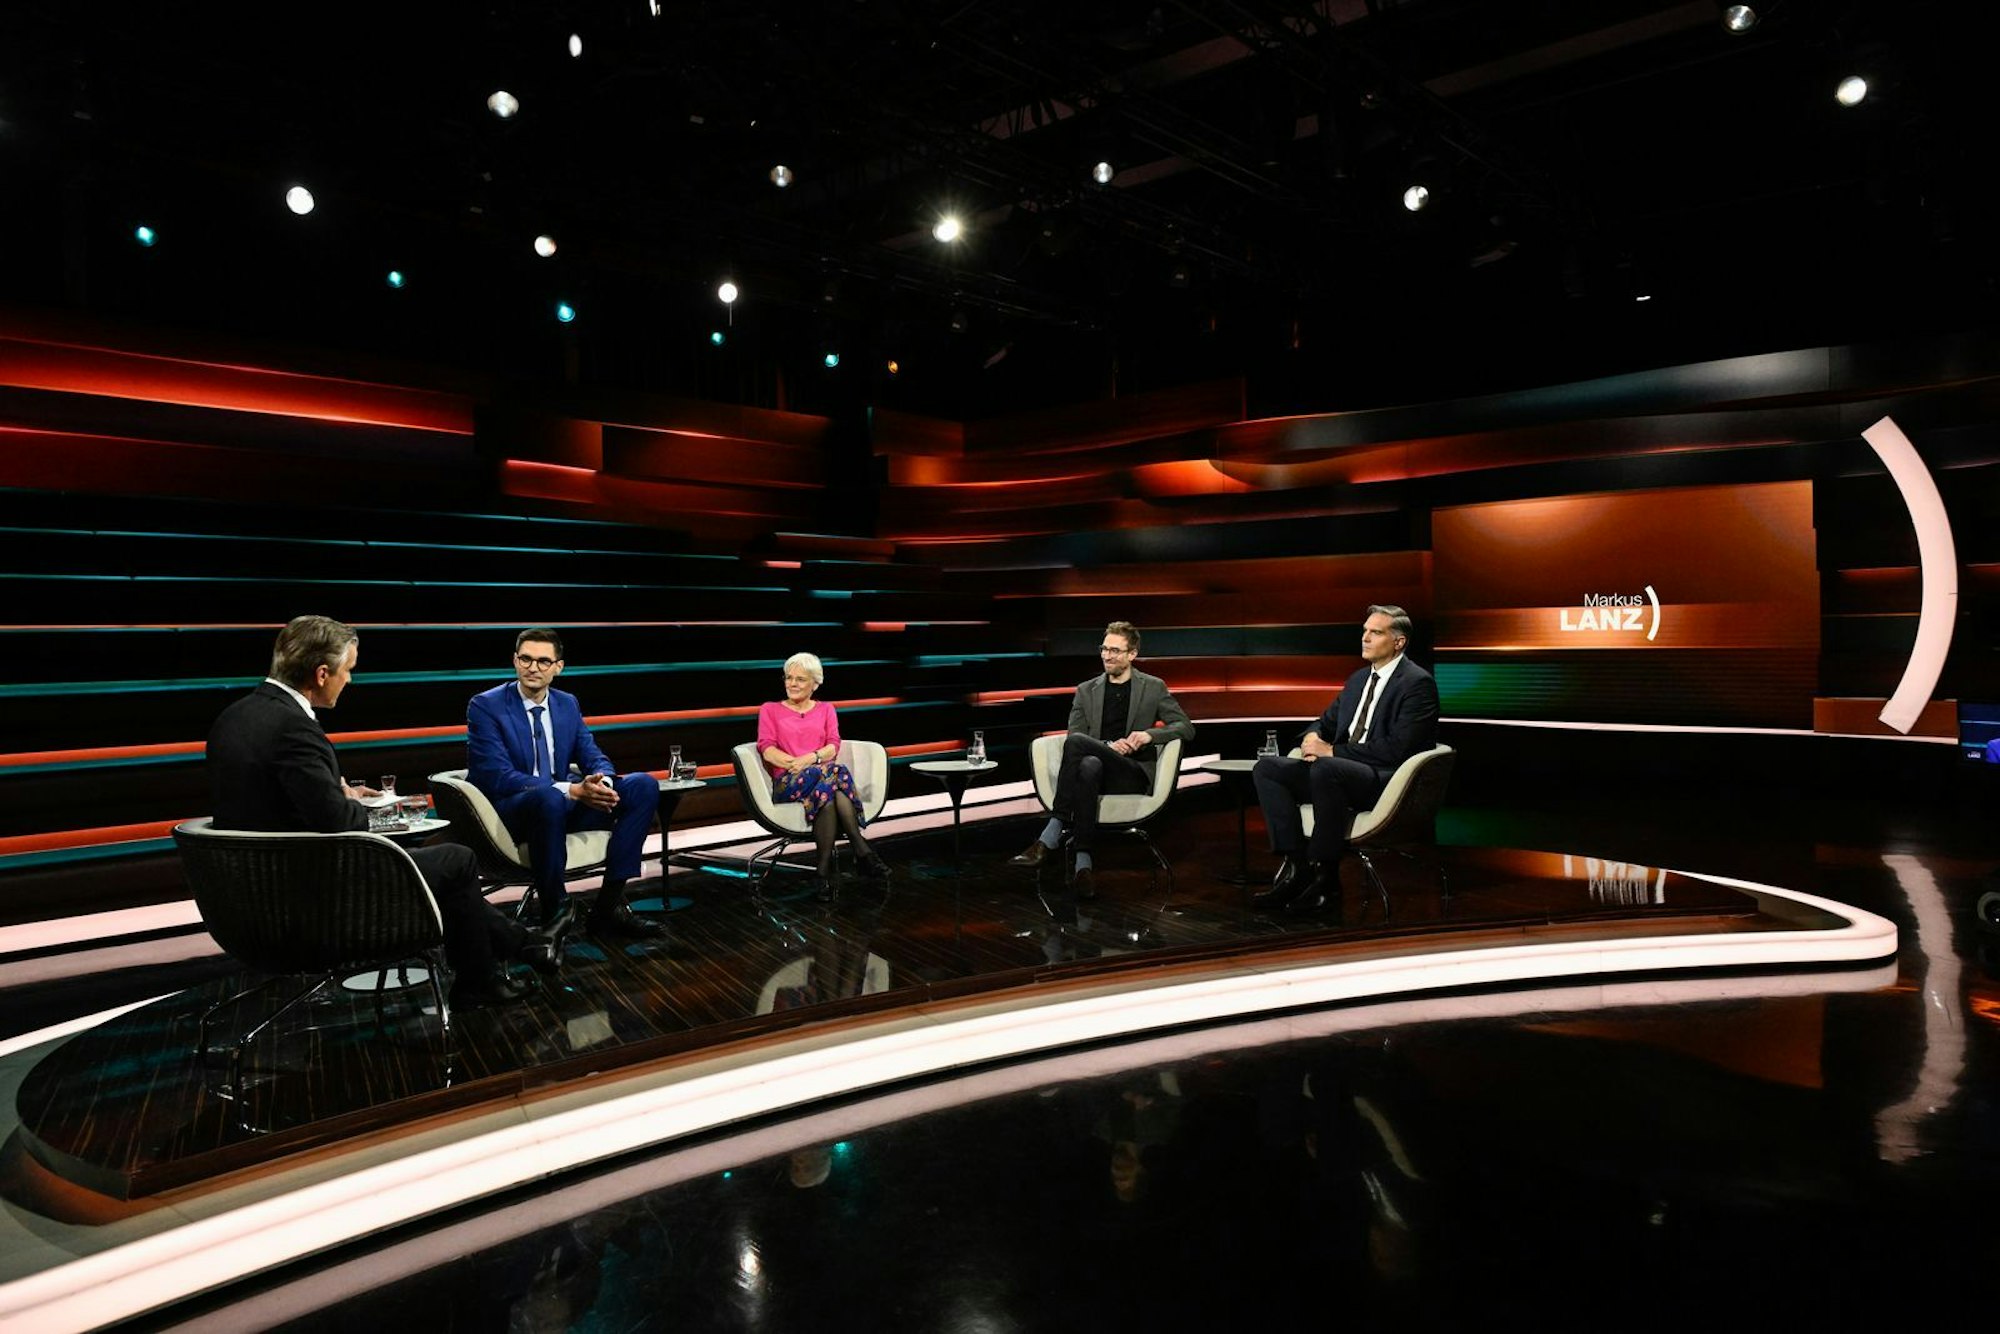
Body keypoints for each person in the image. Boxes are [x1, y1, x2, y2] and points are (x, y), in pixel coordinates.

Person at [205, 614, 552, 1007]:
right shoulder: (294, 728)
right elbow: (337, 822)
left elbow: (266, 797)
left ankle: (522, 948)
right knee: (457, 860)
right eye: (347, 670)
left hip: (249, 895)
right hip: (309, 898)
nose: (349, 680)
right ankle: (487, 974)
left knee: (439, 868)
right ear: (322, 673)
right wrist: (353, 803)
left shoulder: (234, 718)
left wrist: (334, 791)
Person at [466, 628, 664, 941]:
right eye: (526, 659)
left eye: (544, 661)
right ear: (515, 661)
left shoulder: (566, 703)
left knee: (643, 785)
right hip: (516, 811)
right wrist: (570, 790)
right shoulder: (486, 705)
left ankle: (607, 909)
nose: (534, 668)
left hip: (562, 806)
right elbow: (497, 776)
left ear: (559, 667)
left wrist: (602, 782)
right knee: (549, 797)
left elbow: (592, 754)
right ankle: (553, 913)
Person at [1252, 604, 1439, 915]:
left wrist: (1333, 752)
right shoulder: (1357, 680)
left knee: (1328, 768)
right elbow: (1324, 722)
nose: (1365, 637)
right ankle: (1299, 870)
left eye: (1375, 632)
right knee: (1269, 768)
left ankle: (1328, 881)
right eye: (1364, 631)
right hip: (1336, 776)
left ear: (1399, 642)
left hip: (1381, 779)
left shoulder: (1417, 684)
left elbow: (1398, 749)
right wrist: (1312, 737)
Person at [1012, 621, 1195, 898]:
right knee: (1088, 763)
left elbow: (1185, 727)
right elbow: (1076, 735)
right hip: (1095, 774)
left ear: (1132, 654)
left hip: (1130, 773)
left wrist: (1148, 736)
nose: (1107, 656)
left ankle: (1052, 831)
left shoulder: (1153, 687)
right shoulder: (1087, 690)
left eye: (1115, 651)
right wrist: (1108, 746)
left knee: (1080, 750)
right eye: (1104, 649)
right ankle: (1083, 868)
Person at [756, 652, 889, 899]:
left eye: (800, 679)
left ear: (815, 683)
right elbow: (767, 748)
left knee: (827, 796)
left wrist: (812, 759)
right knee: (836, 771)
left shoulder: (826, 709)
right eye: (788, 678)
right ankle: (860, 849)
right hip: (788, 782)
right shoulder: (770, 710)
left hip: (820, 781)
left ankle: (822, 874)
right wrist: (800, 763)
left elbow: (833, 745)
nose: (792, 684)